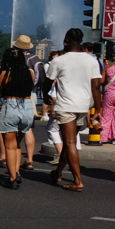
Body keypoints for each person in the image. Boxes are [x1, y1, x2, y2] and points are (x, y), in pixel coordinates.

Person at [43, 29, 102, 192]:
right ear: (82, 40)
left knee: (69, 142)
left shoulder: (59, 61)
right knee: (70, 142)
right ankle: (58, 173)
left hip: (66, 106)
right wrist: (98, 109)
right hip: (83, 106)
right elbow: (96, 86)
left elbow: (47, 82)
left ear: (66, 39)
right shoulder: (91, 61)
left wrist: (45, 96)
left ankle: (77, 181)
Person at [0, 39, 36, 188]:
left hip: (11, 107)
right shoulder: (30, 72)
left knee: (10, 146)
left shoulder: (6, 74)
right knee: (17, 144)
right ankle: (16, 171)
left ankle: (12, 178)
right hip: (28, 108)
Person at [99, 49, 115, 144]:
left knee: (106, 116)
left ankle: (103, 137)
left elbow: (101, 82)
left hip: (109, 95)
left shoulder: (108, 68)